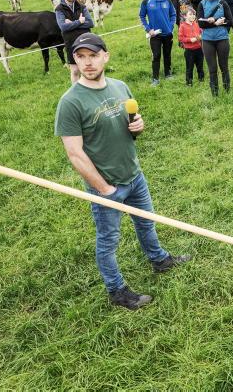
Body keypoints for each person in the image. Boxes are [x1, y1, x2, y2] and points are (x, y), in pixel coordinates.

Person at [55, 33, 191, 310]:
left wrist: (138, 125)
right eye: (80, 57)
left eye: (93, 55)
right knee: (108, 240)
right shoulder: (70, 102)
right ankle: (117, 291)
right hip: (105, 185)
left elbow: (129, 125)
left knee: (146, 222)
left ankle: (159, 260)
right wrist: (104, 189)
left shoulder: (120, 87)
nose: (88, 62)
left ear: (106, 56)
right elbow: (75, 154)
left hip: (134, 175)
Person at [139, 0, 177, 87]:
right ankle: (155, 79)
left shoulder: (167, 0)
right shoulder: (147, 1)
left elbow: (173, 14)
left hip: (167, 34)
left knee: (167, 55)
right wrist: (148, 29)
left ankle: (168, 74)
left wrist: (170, 26)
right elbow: (141, 16)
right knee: (156, 56)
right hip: (154, 34)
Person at [197, 0, 232, 96]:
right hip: (207, 40)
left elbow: (230, 21)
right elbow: (201, 24)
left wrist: (223, 22)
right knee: (212, 69)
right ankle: (215, 93)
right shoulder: (202, 4)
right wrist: (214, 23)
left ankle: (227, 91)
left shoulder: (223, 3)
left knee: (224, 66)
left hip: (222, 38)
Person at [55, 0, 94, 83]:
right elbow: (63, 27)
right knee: (75, 70)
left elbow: (90, 23)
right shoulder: (59, 9)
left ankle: (89, 88)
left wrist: (71, 24)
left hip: (85, 40)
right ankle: (76, 93)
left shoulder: (81, 6)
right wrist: (79, 21)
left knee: (87, 68)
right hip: (71, 42)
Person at [177, 8, 204, 86]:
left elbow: (202, 32)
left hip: (199, 49)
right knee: (189, 67)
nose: (193, 16)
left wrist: (201, 36)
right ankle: (189, 82)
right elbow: (180, 38)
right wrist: (189, 40)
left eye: (194, 14)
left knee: (200, 66)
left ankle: (201, 80)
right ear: (185, 16)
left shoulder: (197, 24)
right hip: (189, 51)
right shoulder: (182, 26)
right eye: (190, 14)